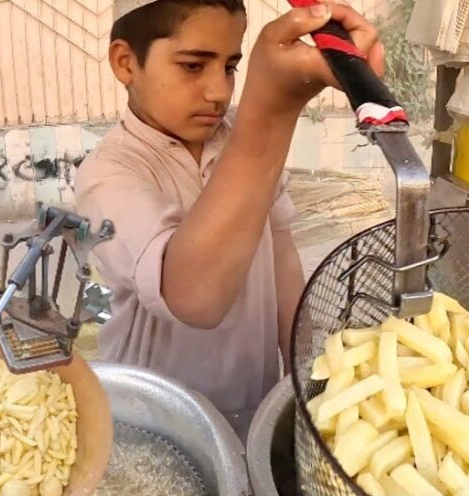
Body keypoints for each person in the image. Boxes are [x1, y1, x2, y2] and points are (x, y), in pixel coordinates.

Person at [74, 0, 383, 430]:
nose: (220, 92)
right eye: (193, 66)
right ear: (126, 62)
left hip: (255, 401)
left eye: (231, 67)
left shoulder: (240, 133)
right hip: (159, 425)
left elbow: (281, 257)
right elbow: (193, 297)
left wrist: (304, 371)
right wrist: (273, 110)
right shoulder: (107, 175)